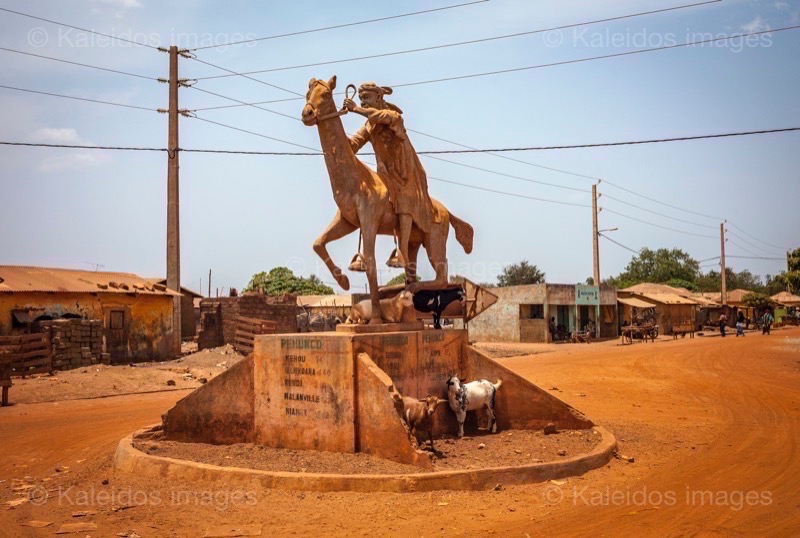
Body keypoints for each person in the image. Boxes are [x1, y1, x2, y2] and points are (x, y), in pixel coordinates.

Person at [344, 83, 434, 279]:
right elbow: (355, 143)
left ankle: (402, 250)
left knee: (405, 198)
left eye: (367, 98)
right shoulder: (370, 125)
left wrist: (356, 109)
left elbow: (382, 117)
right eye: (361, 99)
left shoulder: (393, 116)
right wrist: (332, 129)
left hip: (405, 172)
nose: (363, 102)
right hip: (385, 173)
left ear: (378, 98)